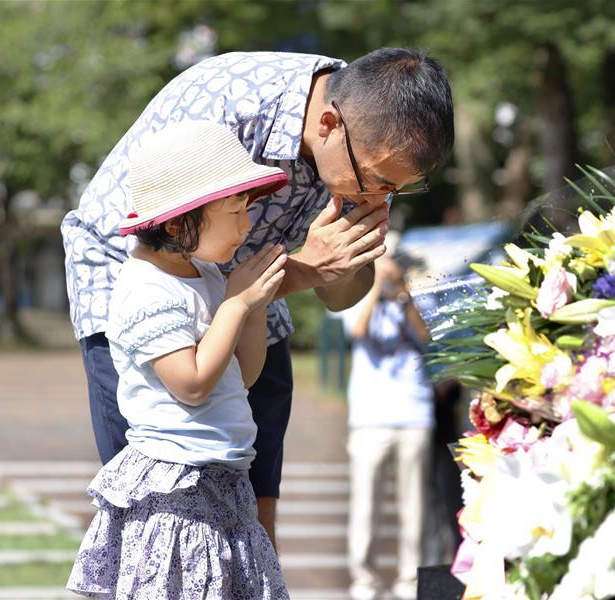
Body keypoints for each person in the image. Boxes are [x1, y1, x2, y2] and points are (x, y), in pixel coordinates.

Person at [61, 48, 454, 546]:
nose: (379, 197)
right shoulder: (231, 108)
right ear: (329, 124)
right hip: (139, 269)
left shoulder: (368, 137)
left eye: (398, 188)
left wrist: (333, 263)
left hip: (250, 284)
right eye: (376, 181)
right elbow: (166, 248)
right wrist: (299, 271)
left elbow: (340, 296)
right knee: (157, 508)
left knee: (253, 496)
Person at [67, 122, 290, 598]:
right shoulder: (147, 287)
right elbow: (190, 383)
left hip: (224, 479)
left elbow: (241, 377)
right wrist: (233, 304)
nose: (246, 226)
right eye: (235, 212)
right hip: (177, 491)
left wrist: (251, 309)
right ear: (176, 222)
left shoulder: (206, 275)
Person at [341, 243, 435, 600]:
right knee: (365, 506)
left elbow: (424, 335)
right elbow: (358, 331)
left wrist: (402, 293)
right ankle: (364, 580)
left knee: (414, 507)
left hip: (414, 413)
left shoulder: (412, 293)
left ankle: (410, 580)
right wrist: (374, 287)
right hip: (369, 418)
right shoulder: (353, 295)